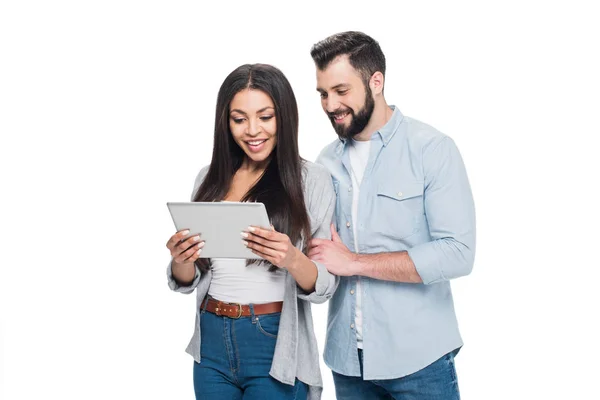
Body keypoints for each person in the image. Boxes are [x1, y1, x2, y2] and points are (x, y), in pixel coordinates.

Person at [307, 31, 476, 400]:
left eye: (341, 90)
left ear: (376, 82)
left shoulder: (432, 150)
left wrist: (355, 262)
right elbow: (320, 254)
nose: (330, 104)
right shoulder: (325, 161)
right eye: (322, 93)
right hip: (348, 362)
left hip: (420, 362)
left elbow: (458, 253)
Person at [165, 63, 337, 400]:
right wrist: (180, 260)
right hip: (211, 341)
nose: (252, 130)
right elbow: (191, 278)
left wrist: (291, 258)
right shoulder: (207, 179)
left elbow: (326, 285)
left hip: (272, 341)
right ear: (225, 123)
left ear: (284, 117)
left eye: (265, 116)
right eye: (239, 119)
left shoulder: (312, 181)